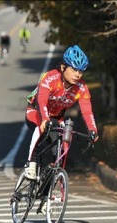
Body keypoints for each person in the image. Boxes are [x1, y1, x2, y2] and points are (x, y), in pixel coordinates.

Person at [23, 44, 99, 180]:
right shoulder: (50, 78)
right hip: (36, 112)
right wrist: (45, 119)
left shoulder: (81, 88)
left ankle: (50, 185)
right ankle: (31, 163)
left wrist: (92, 130)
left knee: (63, 147)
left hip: (57, 118)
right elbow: (41, 100)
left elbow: (87, 111)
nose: (78, 74)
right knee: (44, 126)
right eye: (74, 69)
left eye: (81, 71)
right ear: (63, 67)